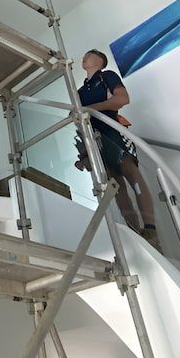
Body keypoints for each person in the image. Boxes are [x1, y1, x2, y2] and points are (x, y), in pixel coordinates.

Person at [75, 49, 159, 249]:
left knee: (131, 174)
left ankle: (150, 228)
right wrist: (84, 154)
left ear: (100, 60)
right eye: (83, 55)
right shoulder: (79, 91)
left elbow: (122, 99)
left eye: (88, 54)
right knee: (117, 187)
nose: (84, 57)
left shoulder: (107, 76)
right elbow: (79, 121)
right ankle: (134, 231)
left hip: (113, 132)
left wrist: (93, 109)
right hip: (97, 140)